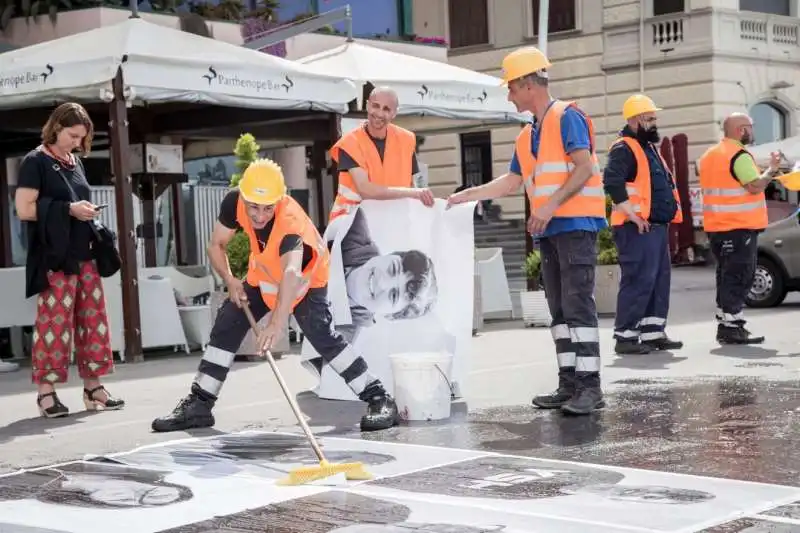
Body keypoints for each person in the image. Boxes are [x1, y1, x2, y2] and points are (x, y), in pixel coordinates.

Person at [151, 158, 400, 433]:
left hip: (306, 281)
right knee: (228, 321)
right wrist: (231, 280)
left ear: (278, 200)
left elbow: (292, 274)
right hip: (265, 274)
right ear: (243, 196)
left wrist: (276, 324)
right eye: (253, 207)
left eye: (267, 208)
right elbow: (216, 244)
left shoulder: (289, 224)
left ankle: (379, 397)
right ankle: (199, 404)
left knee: (322, 336)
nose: (259, 215)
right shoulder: (234, 202)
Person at [447, 46, 606, 415]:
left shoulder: (568, 117)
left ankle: (590, 387)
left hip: (575, 226)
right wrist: (466, 196)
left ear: (528, 84)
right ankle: (570, 383)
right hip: (551, 231)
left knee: (578, 306)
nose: (509, 95)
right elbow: (512, 181)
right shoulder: (527, 133)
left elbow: (584, 168)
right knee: (560, 309)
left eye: (511, 88)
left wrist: (548, 207)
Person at [14, 102, 123, 419]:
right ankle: (46, 394)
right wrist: (68, 210)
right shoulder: (35, 161)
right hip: (55, 257)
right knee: (54, 324)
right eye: (73, 135)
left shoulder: (74, 162)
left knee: (93, 322)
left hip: (85, 254)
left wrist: (83, 210)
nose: (77, 142)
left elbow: (71, 200)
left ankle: (94, 388)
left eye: (81, 137)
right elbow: (23, 209)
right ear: (56, 127)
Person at [602, 94, 684, 355]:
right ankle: (625, 337)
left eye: (654, 118)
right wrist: (634, 217)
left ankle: (653, 332)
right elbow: (612, 184)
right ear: (635, 120)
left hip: (655, 226)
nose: (654, 123)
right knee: (638, 280)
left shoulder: (648, 148)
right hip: (636, 227)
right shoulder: (624, 147)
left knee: (658, 280)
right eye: (650, 118)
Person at [698, 112, 780, 344]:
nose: (753, 131)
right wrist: (771, 169)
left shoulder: (710, 155)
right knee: (740, 276)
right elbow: (755, 185)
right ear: (741, 130)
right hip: (738, 227)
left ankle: (727, 325)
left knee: (726, 275)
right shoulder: (739, 155)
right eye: (750, 127)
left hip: (717, 227)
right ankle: (732, 327)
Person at [328, 86, 434, 226]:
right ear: (367, 105)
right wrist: (413, 193)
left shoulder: (406, 140)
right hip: (351, 220)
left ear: (394, 113)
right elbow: (365, 190)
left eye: (386, 109)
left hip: (392, 220)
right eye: (375, 106)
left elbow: (411, 185)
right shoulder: (350, 143)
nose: (379, 113)